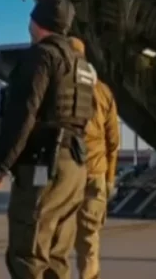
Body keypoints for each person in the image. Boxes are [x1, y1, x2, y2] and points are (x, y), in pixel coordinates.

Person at [0, 0, 96, 279]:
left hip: (44, 164)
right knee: (57, 256)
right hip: (74, 165)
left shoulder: (40, 57)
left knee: (28, 253)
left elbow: (23, 116)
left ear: (37, 22)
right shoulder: (82, 66)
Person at [69, 37, 119, 279]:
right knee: (89, 240)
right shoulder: (103, 91)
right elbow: (113, 141)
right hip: (95, 173)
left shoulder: (60, 86)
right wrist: (109, 179)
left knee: (55, 238)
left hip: (66, 172)